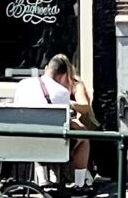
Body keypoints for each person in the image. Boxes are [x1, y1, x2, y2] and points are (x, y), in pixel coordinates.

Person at [27, 53, 94, 185]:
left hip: (27, 140)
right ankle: (80, 183)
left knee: (38, 132)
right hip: (55, 141)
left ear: (47, 68)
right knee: (83, 137)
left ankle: (43, 180)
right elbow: (64, 121)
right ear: (64, 73)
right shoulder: (61, 91)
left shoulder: (25, 85)